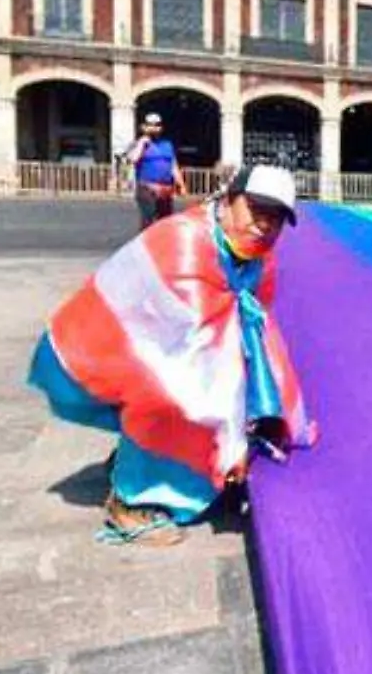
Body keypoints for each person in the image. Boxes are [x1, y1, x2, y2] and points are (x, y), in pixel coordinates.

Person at [29, 164, 320, 546]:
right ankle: (130, 502)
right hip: (131, 342)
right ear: (230, 201)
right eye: (257, 210)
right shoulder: (187, 242)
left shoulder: (260, 256)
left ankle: (177, 467)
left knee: (254, 382)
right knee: (175, 398)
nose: (264, 225)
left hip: (188, 339)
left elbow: (256, 316)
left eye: (276, 219)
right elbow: (194, 344)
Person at [126, 112, 186, 229]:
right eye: (150, 124)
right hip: (147, 188)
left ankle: (162, 245)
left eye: (157, 125)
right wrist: (142, 143)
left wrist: (181, 184)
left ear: (161, 127)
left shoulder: (167, 144)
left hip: (165, 188)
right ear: (144, 127)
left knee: (165, 221)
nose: (154, 128)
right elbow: (133, 159)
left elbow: (173, 166)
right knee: (148, 220)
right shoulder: (137, 144)